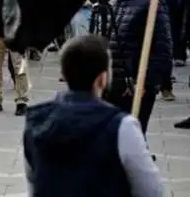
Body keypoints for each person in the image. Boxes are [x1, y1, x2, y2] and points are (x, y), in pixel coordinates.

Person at [23, 34, 163, 196]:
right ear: (102, 79)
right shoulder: (122, 127)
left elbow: (34, 185)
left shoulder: (36, 121)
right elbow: (152, 191)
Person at [102, 0, 172, 134]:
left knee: (132, 138)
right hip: (112, 85)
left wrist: (147, 84)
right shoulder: (113, 0)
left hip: (134, 86)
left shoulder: (149, 3)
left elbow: (162, 49)